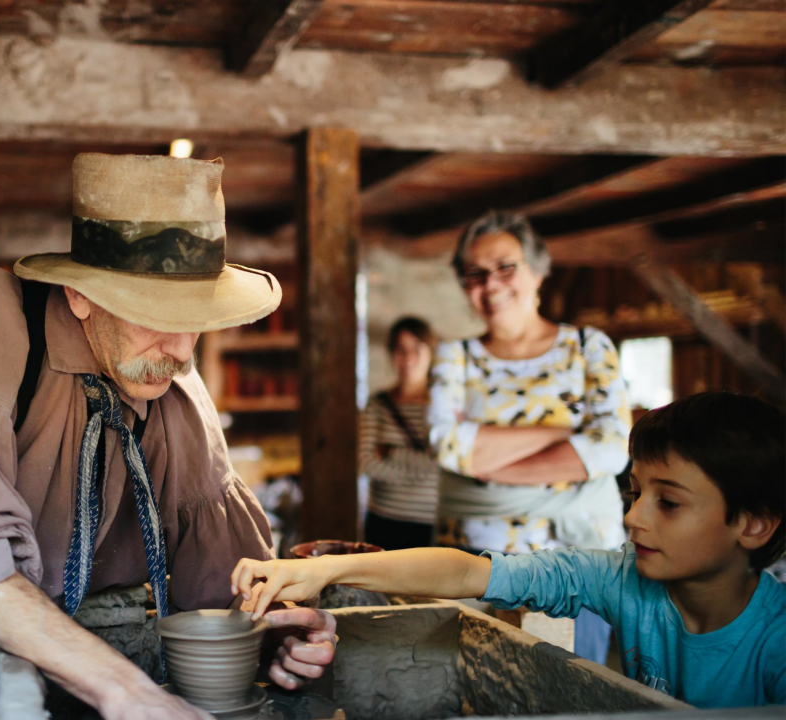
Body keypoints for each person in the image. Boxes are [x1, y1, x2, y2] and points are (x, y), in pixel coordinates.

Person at [0, 154, 334, 720]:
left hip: (16, 667)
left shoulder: (169, 384)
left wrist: (275, 636)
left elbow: (228, 582)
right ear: (79, 295)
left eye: (195, 317)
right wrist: (127, 691)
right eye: (156, 313)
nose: (182, 349)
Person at [232, 392, 786, 709]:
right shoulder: (619, 580)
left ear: (754, 524)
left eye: (668, 503)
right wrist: (326, 569)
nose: (633, 517)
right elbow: (466, 572)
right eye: (634, 493)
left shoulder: (776, 638)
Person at [428, 210, 631, 664]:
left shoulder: (588, 347)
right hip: (478, 565)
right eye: (475, 274)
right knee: (482, 686)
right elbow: (447, 444)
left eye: (505, 267)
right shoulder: (454, 356)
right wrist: (561, 431)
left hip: (580, 565)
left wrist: (484, 462)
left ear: (538, 271)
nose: (491, 283)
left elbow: (613, 447)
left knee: (579, 690)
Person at [361, 317, 439, 550]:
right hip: (385, 521)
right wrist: (427, 471)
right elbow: (365, 464)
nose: (408, 359)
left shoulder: (443, 405)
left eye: (417, 349)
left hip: (432, 523)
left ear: (430, 353)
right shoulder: (377, 405)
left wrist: (392, 454)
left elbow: (447, 464)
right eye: (400, 350)